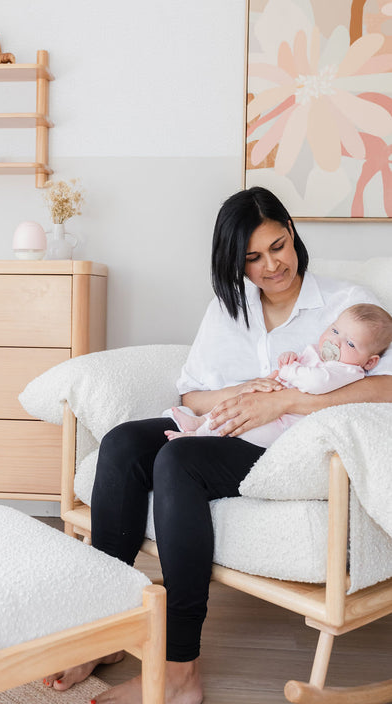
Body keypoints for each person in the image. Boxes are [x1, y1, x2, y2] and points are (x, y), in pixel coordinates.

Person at [43, 187, 392, 704]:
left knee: (178, 460)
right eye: (253, 258)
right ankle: (109, 632)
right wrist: (243, 392)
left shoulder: (349, 306)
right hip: (224, 425)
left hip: (286, 451)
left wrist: (286, 401)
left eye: (279, 246)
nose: (273, 265)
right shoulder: (228, 309)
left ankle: (181, 670)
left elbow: (386, 385)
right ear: (234, 262)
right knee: (121, 444)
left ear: (292, 234)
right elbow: (191, 394)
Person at [166, 303, 392, 447]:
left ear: (370, 361)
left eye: (350, 343)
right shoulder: (318, 353)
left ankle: (199, 436)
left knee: (238, 420)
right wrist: (291, 358)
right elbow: (301, 367)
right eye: (334, 330)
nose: (336, 342)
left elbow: (314, 382)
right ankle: (200, 422)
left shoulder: (346, 370)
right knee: (236, 404)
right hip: (268, 407)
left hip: (281, 425)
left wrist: (290, 370)